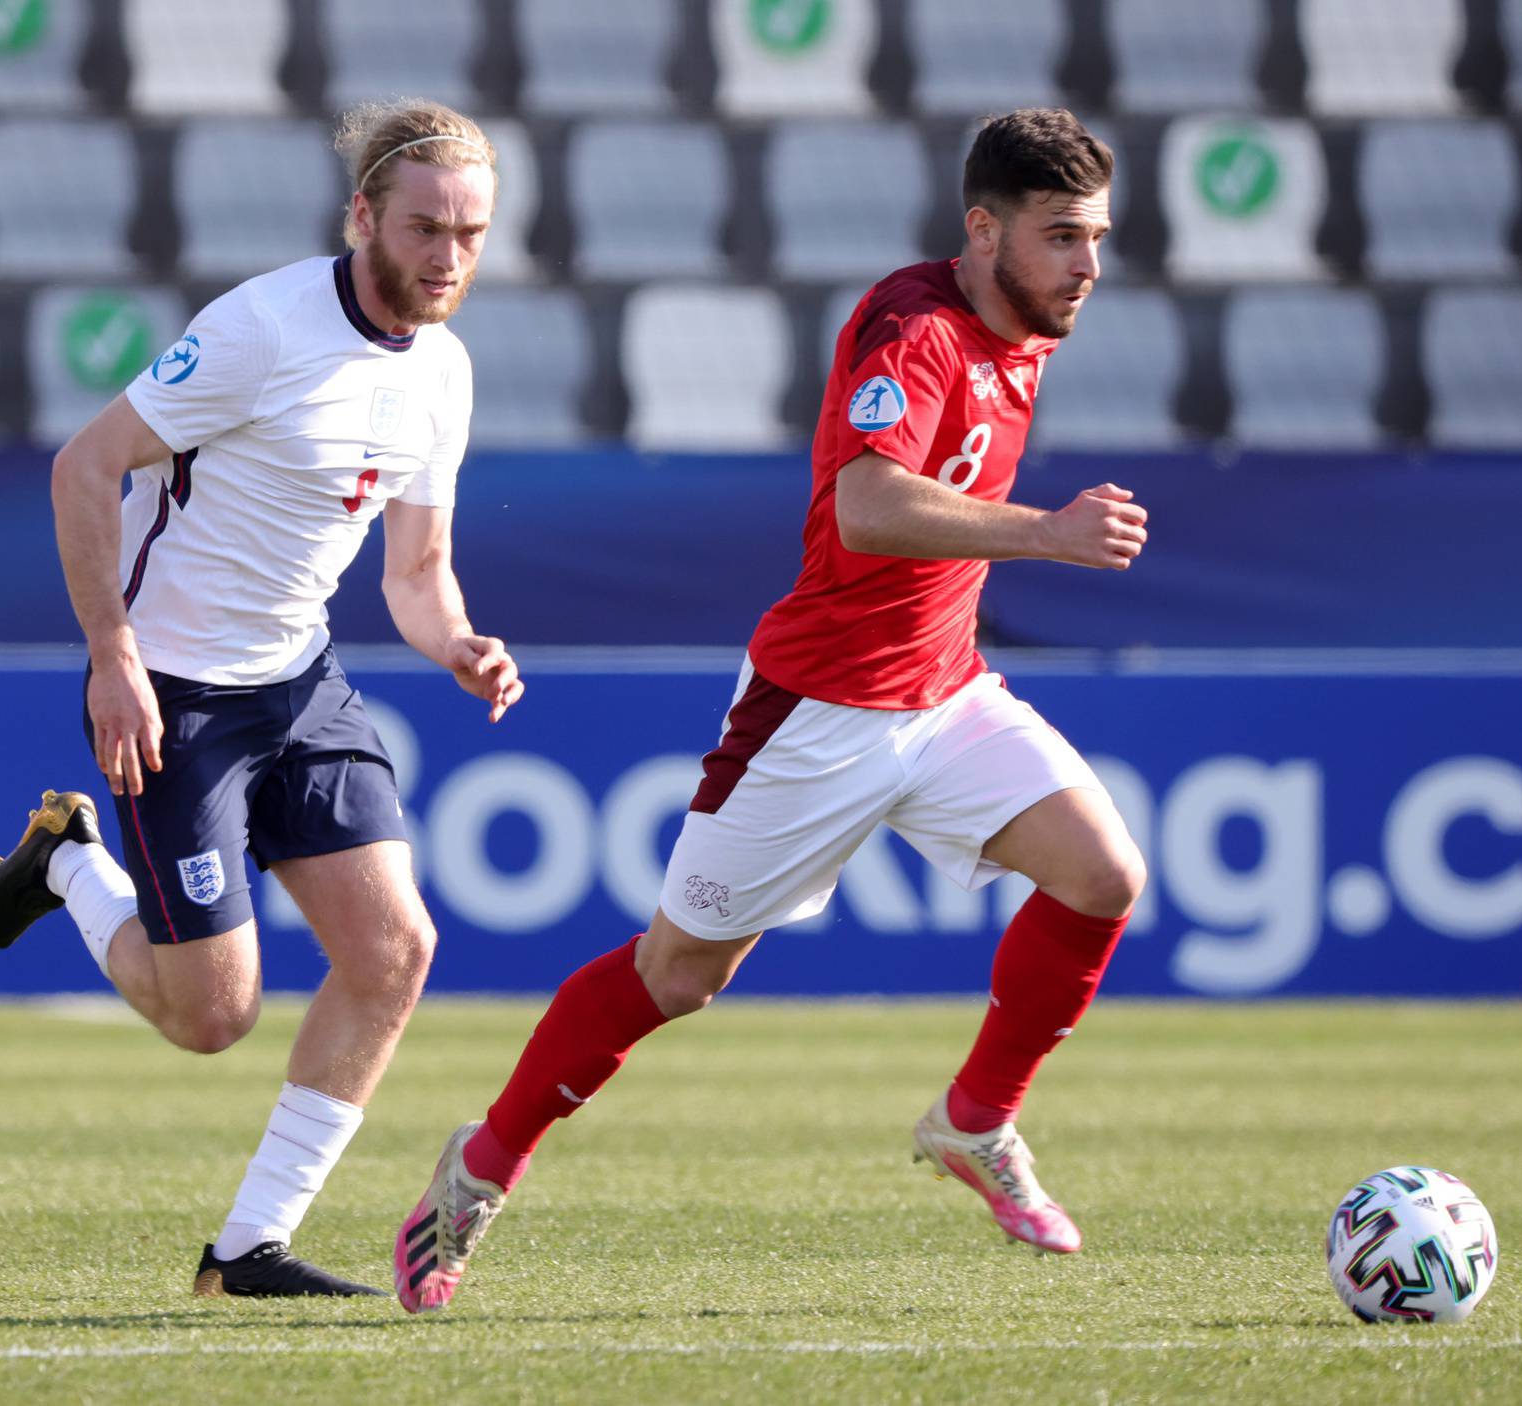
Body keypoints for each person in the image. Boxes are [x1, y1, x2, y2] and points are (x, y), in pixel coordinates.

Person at [394, 107, 1148, 1315]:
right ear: (983, 228)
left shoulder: (1028, 325)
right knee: (676, 976)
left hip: (945, 690)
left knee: (1104, 876)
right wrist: (1046, 535)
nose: (1088, 267)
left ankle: (975, 1121)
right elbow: (866, 508)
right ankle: (480, 1165)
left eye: (1098, 238)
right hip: (816, 714)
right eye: (1063, 237)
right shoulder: (914, 330)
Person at [0, 99, 523, 1298]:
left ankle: (247, 1247)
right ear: (363, 214)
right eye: (426, 226)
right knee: (211, 1015)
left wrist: (462, 645)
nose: (448, 256)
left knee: (394, 952)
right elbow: (85, 464)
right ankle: (65, 861)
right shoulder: (262, 328)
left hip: (302, 679)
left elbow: (417, 577)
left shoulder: (444, 371)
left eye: (472, 233)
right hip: (174, 694)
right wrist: (112, 655)